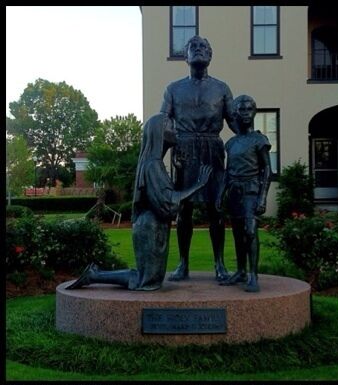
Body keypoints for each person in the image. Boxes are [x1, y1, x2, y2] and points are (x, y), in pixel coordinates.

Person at [67, 115, 210, 291]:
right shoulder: (152, 165)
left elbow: (169, 194)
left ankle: (94, 275)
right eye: (171, 127)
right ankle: (93, 276)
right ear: (159, 133)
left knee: (149, 280)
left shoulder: (153, 163)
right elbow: (169, 202)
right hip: (150, 228)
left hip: (154, 227)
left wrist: (179, 172)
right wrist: (198, 185)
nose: (176, 130)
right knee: (147, 281)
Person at [160, 35, 235, 282]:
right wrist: (159, 153)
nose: (199, 50)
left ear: (211, 56)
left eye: (204, 47)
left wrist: (250, 135)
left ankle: (219, 264)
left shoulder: (222, 88)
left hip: (212, 148)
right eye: (194, 47)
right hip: (184, 149)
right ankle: (182, 263)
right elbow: (164, 121)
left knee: (216, 208)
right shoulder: (173, 89)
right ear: (186, 56)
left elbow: (234, 121)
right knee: (185, 208)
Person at [220, 94, 272, 292]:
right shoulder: (231, 143)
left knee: (250, 232)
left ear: (254, 112)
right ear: (235, 113)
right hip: (234, 192)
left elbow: (267, 170)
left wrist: (262, 197)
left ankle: (253, 275)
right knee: (237, 233)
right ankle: (241, 271)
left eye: (249, 109)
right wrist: (220, 194)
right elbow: (227, 171)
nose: (245, 114)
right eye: (241, 110)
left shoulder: (259, 140)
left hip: (251, 191)